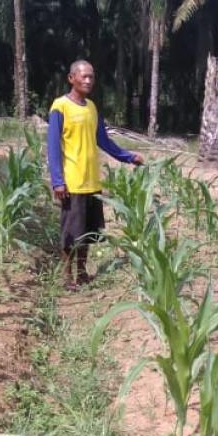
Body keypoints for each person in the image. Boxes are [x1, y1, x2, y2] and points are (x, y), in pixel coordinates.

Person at [47, 60, 145, 289]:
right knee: (71, 233)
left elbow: (103, 140)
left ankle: (82, 271)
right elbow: (52, 146)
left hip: (92, 180)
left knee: (88, 231)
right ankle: (67, 277)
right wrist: (57, 181)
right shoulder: (60, 107)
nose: (88, 80)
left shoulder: (92, 107)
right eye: (83, 76)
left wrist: (129, 157)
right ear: (71, 78)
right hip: (72, 182)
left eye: (91, 76)